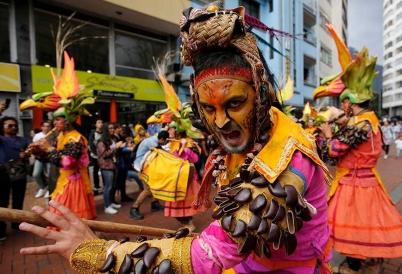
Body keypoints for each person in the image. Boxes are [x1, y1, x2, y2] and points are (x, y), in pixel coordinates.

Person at [18, 6, 333, 274]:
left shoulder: (285, 158)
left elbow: (212, 255)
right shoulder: (248, 139)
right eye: (208, 108)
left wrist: (100, 254)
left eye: (234, 104)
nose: (220, 122)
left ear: (261, 95)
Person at [315, 24, 402, 273]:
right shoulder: (368, 120)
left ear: (352, 101)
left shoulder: (362, 123)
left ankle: (355, 265)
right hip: (364, 180)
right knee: (368, 225)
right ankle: (367, 260)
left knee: (351, 226)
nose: (342, 107)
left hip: (355, 185)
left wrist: (328, 134)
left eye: (344, 102)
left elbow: (334, 151)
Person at [20, 51, 97, 222]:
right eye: (54, 120)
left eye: (58, 120)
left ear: (68, 120)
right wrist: (39, 152)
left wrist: (48, 147)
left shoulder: (75, 138)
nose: (55, 124)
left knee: (71, 218)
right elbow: (53, 158)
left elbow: (67, 161)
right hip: (63, 179)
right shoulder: (61, 136)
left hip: (73, 183)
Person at [164, 123, 204, 233]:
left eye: (170, 129)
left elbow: (195, 159)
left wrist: (185, 147)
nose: (169, 131)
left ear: (177, 131)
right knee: (175, 203)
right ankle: (187, 223)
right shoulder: (172, 143)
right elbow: (174, 159)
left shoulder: (190, 143)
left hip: (188, 179)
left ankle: (189, 224)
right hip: (176, 178)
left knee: (184, 204)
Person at [0, 112, 28, 241]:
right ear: (2, 127)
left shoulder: (22, 140)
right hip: (3, 174)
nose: (13, 128)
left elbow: (28, 152)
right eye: (9, 125)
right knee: (2, 202)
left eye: (15, 125)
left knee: (18, 199)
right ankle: (1, 229)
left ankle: (17, 223)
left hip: (20, 173)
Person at [129, 131, 168, 219]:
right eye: (166, 142)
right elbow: (162, 154)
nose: (166, 144)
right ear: (162, 139)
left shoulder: (154, 139)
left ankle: (155, 204)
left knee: (155, 185)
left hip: (146, 167)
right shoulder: (152, 143)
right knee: (148, 189)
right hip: (141, 168)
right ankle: (134, 208)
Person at [96, 122, 124, 214]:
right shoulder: (101, 140)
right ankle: (107, 206)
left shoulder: (112, 139)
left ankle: (111, 202)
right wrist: (115, 147)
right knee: (108, 187)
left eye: (112, 128)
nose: (112, 130)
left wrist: (119, 147)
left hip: (114, 164)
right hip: (106, 166)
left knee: (113, 186)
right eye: (110, 128)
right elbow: (103, 154)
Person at [112, 123, 132, 202]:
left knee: (123, 179)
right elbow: (116, 149)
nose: (120, 129)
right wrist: (125, 148)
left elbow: (124, 145)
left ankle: (123, 195)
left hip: (123, 160)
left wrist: (128, 145)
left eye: (120, 127)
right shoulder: (113, 138)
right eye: (118, 128)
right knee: (117, 180)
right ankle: (112, 199)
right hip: (118, 160)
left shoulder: (121, 137)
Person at [32, 121, 52, 198]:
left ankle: (49, 189)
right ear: (42, 127)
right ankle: (42, 188)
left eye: (48, 126)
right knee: (36, 174)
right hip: (40, 158)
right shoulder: (37, 135)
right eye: (45, 126)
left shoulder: (53, 135)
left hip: (49, 157)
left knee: (50, 175)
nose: (46, 128)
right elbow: (33, 146)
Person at [88, 118, 103, 193]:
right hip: (95, 155)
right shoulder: (93, 133)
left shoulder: (104, 133)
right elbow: (91, 144)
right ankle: (96, 185)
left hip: (103, 154)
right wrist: (96, 153)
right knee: (95, 170)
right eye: (99, 122)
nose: (100, 124)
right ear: (96, 125)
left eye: (101, 122)